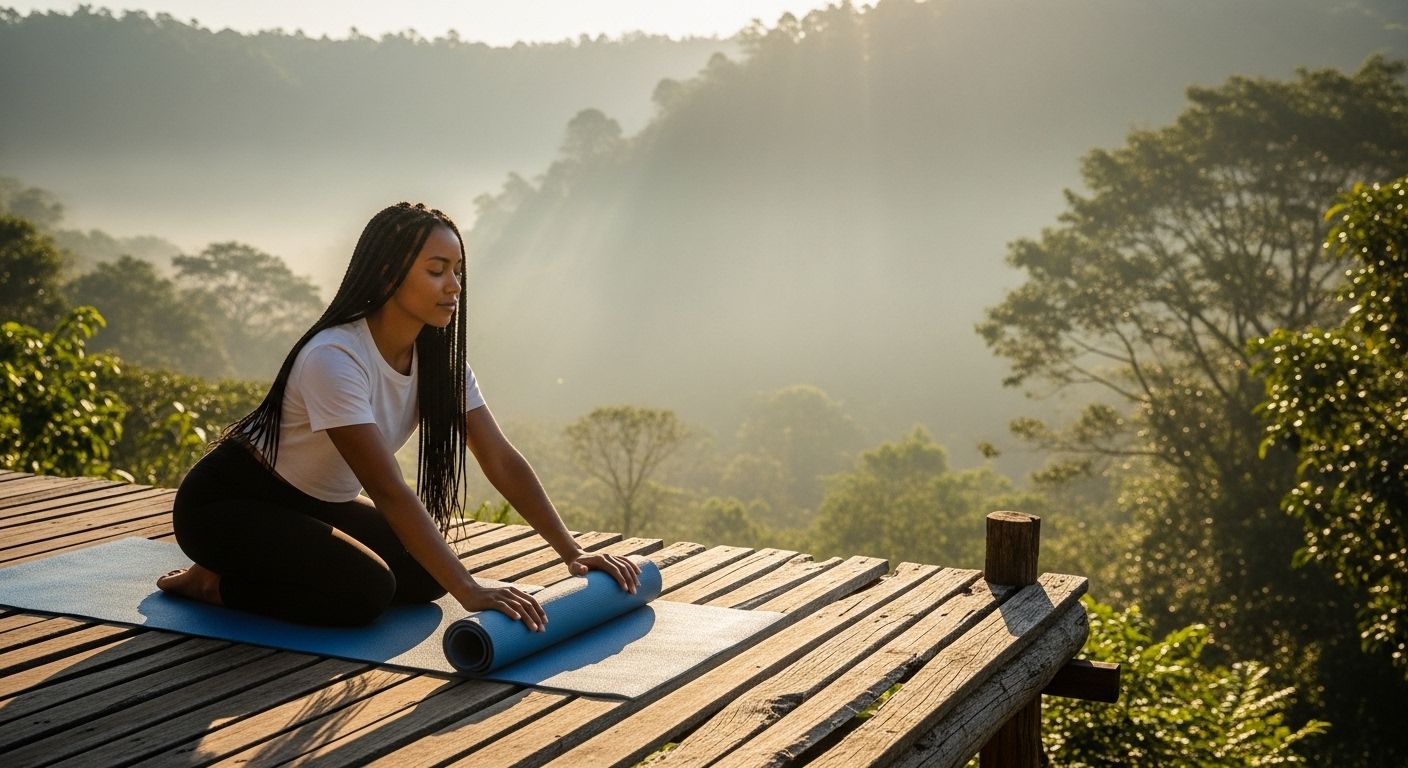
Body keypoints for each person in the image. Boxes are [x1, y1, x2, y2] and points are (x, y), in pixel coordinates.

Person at [156, 202, 640, 628]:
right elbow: (387, 487)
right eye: (436, 270)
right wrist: (469, 591)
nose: (454, 286)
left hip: (317, 504)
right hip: (231, 505)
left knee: (427, 578)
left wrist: (572, 552)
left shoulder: (440, 365)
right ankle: (211, 585)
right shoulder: (335, 357)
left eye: (457, 270)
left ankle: (250, 568)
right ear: (388, 274)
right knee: (364, 592)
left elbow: (498, 457)